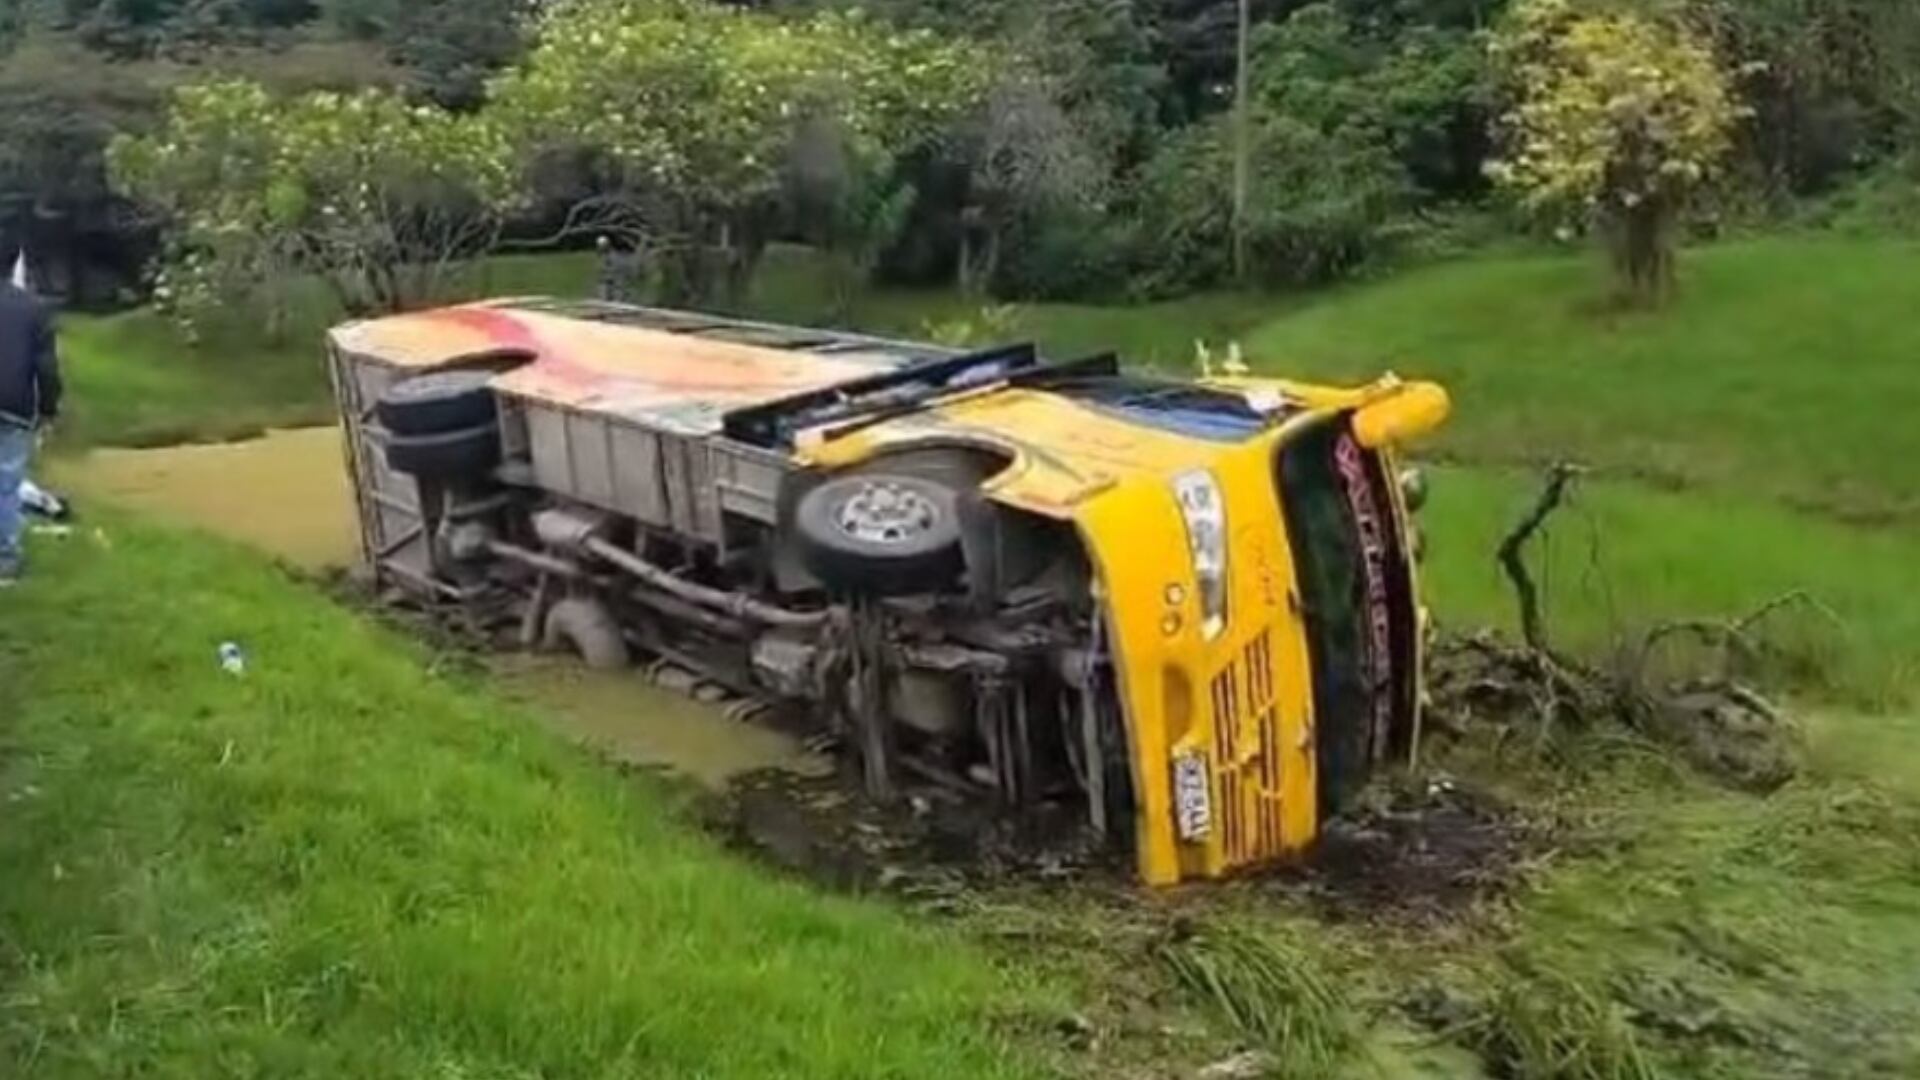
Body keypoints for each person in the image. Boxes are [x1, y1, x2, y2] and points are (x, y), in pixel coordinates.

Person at [0, 277, 61, 585]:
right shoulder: (33, 308)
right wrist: (49, 409)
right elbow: (46, 366)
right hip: (13, 404)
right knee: (6, 484)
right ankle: (5, 562)